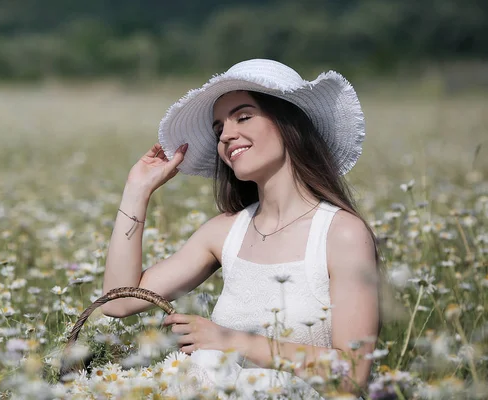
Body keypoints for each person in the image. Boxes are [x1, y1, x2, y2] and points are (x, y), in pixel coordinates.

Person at [101, 59, 380, 399]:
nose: (227, 135)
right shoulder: (223, 232)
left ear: (287, 121)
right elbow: (118, 302)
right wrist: (136, 190)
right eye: (219, 130)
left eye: (244, 116)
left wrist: (228, 341)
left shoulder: (341, 234)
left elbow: (353, 373)